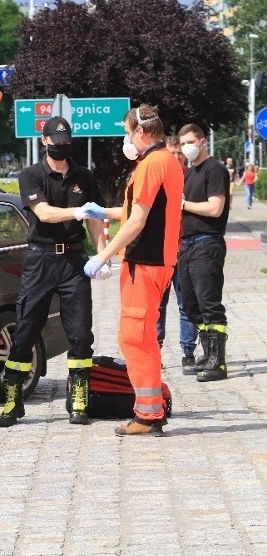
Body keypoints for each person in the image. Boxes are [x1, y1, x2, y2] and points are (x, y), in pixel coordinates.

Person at [0, 116, 106, 427]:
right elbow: (42, 213)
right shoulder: (31, 175)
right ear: (45, 142)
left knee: (81, 333)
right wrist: (76, 211)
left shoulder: (84, 177)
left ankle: (78, 397)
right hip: (40, 260)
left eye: (66, 143)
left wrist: (103, 256)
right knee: (26, 330)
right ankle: (13, 397)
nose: (61, 148)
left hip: (73, 261)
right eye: (56, 143)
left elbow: (95, 219)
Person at [83, 104, 184, 436]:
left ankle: (148, 415)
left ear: (142, 132)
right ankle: (150, 409)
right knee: (140, 338)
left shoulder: (152, 164)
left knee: (135, 338)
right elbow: (135, 211)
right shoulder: (162, 161)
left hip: (146, 261)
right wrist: (104, 212)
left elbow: (138, 221)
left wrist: (103, 256)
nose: (127, 138)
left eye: (128, 131)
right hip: (154, 261)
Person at [177, 124, 231, 382]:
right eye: (182, 142)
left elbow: (215, 208)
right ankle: (206, 353)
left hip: (207, 243)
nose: (186, 146)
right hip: (186, 245)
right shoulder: (188, 173)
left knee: (209, 303)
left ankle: (217, 362)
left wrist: (185, 204)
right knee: (191, 304)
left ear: (202, 142)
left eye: (190, 141)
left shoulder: (215, 169)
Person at [157, 136, 198, 372]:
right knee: (158, 307)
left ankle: (188, 353)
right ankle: (156, 350)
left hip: (185, 250)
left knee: (187, 305)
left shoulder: (191, 179)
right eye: (171, 153)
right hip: (162, 253)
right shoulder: (159, 178)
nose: (175, 158)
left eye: (178, 153)